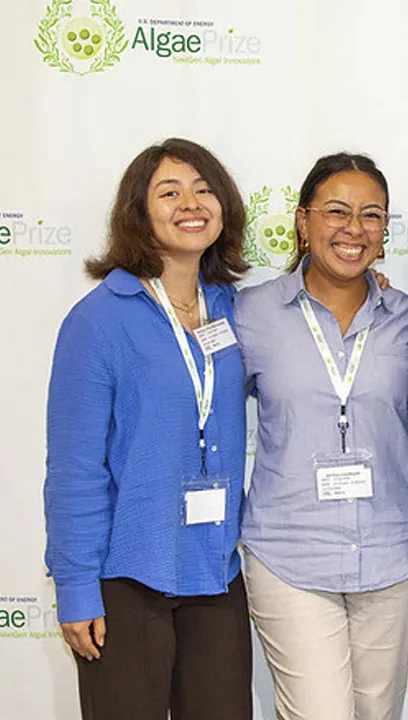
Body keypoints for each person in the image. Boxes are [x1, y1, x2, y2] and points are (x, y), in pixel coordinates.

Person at [44, 138, 252, 719]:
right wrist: (77, 587)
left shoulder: (232, 309)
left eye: (204, 189)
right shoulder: (99, 320)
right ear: (139, 211)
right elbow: (74, 470)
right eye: (170, 191)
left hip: (216, 572)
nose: (191, 203)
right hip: (125, 580)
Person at [235, 153, 408, 720]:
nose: (354, 228)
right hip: (289, 553)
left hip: (393, 551)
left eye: (372, 215)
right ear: (303, 221)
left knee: (379, 713)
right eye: (336, 211)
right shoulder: (250, 315)